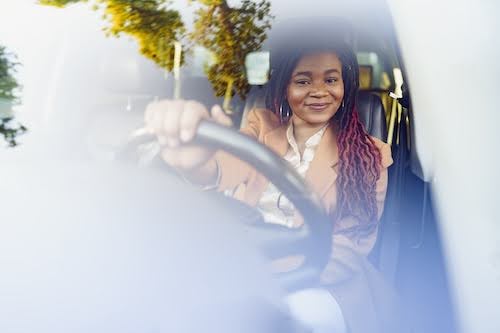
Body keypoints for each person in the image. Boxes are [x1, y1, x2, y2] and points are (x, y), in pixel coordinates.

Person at [143, 37, 401, 333]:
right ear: (284, 87)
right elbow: (221, 168)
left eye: (331, 79)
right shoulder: (260, 126)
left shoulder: (370, 154)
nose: (319, 91)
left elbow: (350, 247)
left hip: (321, 280)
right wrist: (195, 162)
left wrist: (263, 274)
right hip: (240, 268)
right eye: (303, 81)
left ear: (345, 86)